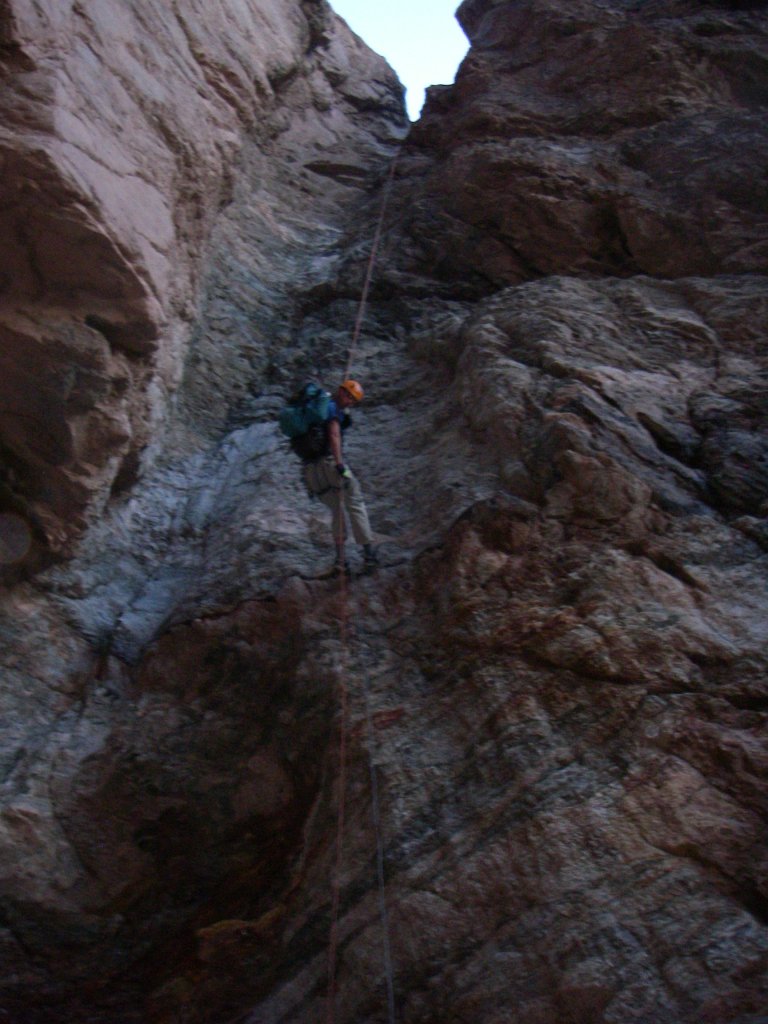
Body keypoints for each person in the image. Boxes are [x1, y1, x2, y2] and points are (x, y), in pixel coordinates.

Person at [301, 379, 378, 574]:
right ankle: (369, 556)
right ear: (342, 391)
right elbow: (334, 435)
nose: (350, 402)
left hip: (311, 472)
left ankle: (340, 561)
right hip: (330, 464)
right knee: (355, 501)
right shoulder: (332, 409)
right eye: (349, 397)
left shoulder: (315, 411)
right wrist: (340, 465)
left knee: (337, 510)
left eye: (353, 401)